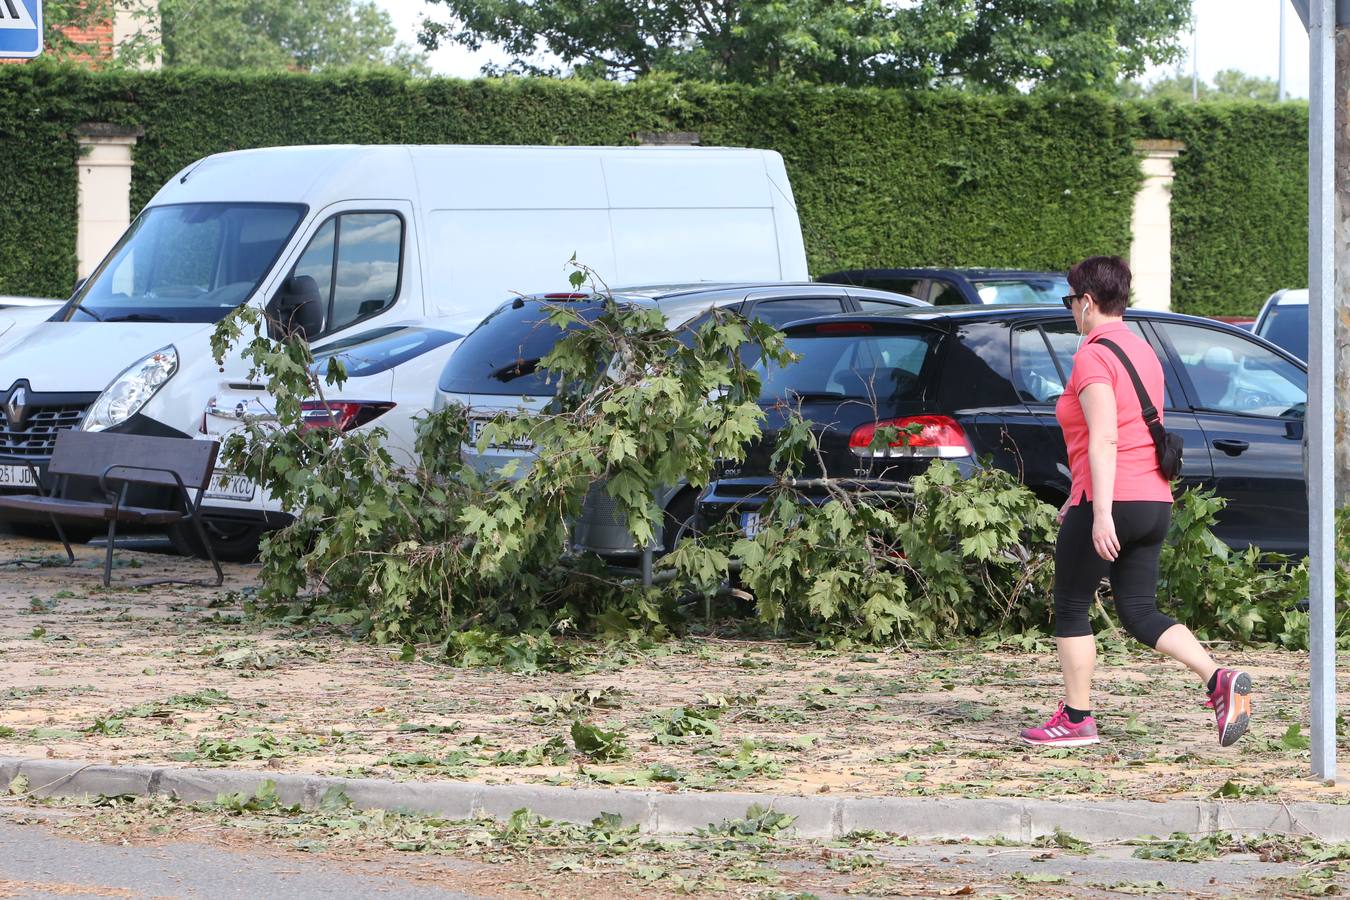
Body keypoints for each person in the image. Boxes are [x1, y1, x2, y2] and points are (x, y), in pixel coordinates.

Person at [1019, 256, 1252, 749]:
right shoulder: (1144, 350)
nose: (1071, 313)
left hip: (1115, 500)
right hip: (1153, 501)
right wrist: (1078, 498)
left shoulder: (1093, 353)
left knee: (1071, 607)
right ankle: (1218, 679)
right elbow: (1127, 430)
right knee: (1141, 611)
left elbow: (1105, 438)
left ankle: (1077, 718)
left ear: (1086, 302)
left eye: (1070, 302)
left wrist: (1099, 511)